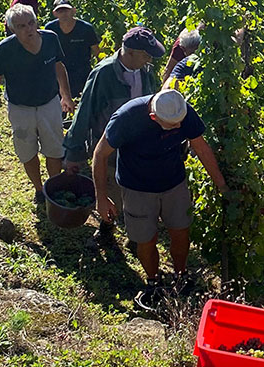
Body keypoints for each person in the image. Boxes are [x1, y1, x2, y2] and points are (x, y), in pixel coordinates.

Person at [92, 88, 227, 309]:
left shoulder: (180, 111)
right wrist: (102, 197)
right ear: (154, 117)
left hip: (174, 183)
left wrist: (221, 185)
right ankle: (153, 280)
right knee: (145, 239)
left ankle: (181, 274)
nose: (178, 128)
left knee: (181, 230)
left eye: (179, 124)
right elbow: (100, 154)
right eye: (172, 126)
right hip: (137, 188)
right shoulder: (127, 117)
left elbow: (201, 147)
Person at [63, 27, 164, 233]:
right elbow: (84, 113)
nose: (149, 60)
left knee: (137, 192)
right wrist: (74, 151)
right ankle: (107, 229)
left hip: (137, 147)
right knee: (110, 192)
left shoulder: (145, 71)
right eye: (145, 55)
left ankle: (135, 233)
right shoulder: (103, 74)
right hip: (110, 149)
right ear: (130, 52)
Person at [0, 4, 75, 205]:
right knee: (27, 150)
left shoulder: (51, 38)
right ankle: (39, 189)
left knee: (55, 148)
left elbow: (59, 66)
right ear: (12, 29)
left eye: (31, 23)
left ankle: (53, 185)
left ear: (37, 21)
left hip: (49, 103)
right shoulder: (4, 50)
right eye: (21, 26)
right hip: (20, 109)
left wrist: (65, 95)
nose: (28, 29)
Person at [45, 0, 100, 99]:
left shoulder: (86, 28)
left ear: (73, 11)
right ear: (55, 13)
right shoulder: (50, 29)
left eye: (66, 10)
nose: (64, 14)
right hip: (58, 77)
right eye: (60, 11)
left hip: (82, 75)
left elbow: (98, 53)